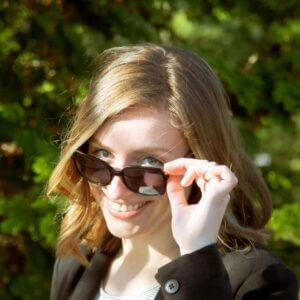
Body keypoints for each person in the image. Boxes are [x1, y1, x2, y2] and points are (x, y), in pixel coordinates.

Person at [48, 44, 298, 300]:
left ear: (200, 164)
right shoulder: (77, 263)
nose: (115, 189)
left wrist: (196, 254)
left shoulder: (257, 280)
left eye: (148, 163)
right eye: (102, 155)